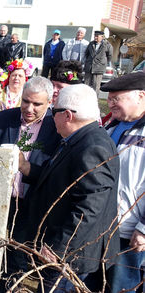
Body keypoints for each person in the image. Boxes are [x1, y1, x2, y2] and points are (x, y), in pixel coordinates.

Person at [0, 77, 61, 292]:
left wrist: (28, 169)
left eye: (37, 104)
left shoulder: (56, 127)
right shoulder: (4, 119)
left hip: (29, 204)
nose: (29, 108)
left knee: (17, 255)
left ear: (50, 102)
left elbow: (55, 171)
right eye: (26, 101)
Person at [17, 84, 120, 292]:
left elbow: (89, 207)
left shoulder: (93, 147)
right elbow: (60, 178)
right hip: (64, 249)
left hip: (71, 255)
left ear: (67, 115)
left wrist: (59, 248)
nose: (50, 117)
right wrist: (27, 168)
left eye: (52, 111)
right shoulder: (77, 139)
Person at [100, 72, 145, 292]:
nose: (111, 103)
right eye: (110, 99)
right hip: (103, 227)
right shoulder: (110, 126)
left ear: (141, 96)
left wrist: (144, 228)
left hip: (131, 234)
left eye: (117, 98)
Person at [84, 30, 113, 97]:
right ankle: (84, 99)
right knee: (86, 85)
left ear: (102, 37)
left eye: (97, 36)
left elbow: (109, 56)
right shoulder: (91, 44)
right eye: (95, 36)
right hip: (89, 68)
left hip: (98, 69)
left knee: (96, 86)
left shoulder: (107, 45)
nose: (95, 37)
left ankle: (94, 100)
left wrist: (102, 63)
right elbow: (86, 54)